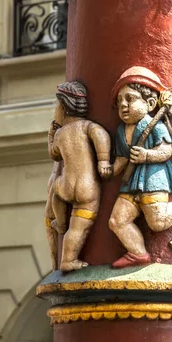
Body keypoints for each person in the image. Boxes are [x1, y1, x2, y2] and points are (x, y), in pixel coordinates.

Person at [108, 66, 172, 268]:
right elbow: (123, 157)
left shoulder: (155, 126)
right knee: (116, 221)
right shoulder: (122, 131)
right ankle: (138, 253)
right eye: (120, 101)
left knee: (157, 223)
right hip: (131, 182)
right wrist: (111, 170)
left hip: (153, 178)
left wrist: (146, 155)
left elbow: (166, 150)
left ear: (149, 104)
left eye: (130, 99)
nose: (123, 105)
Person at [46, 81, 112, 272]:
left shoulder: (60, 134)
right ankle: (69, 257)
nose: (55, 111)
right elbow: (101, 136)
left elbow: (54, 154)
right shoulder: (87, 127)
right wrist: (103, 161)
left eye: (57, 106)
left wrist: (51, 136)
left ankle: (61, 223)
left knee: (56, 192)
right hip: (87, 188)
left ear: (65, 108)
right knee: (78, 229)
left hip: (65, 185)